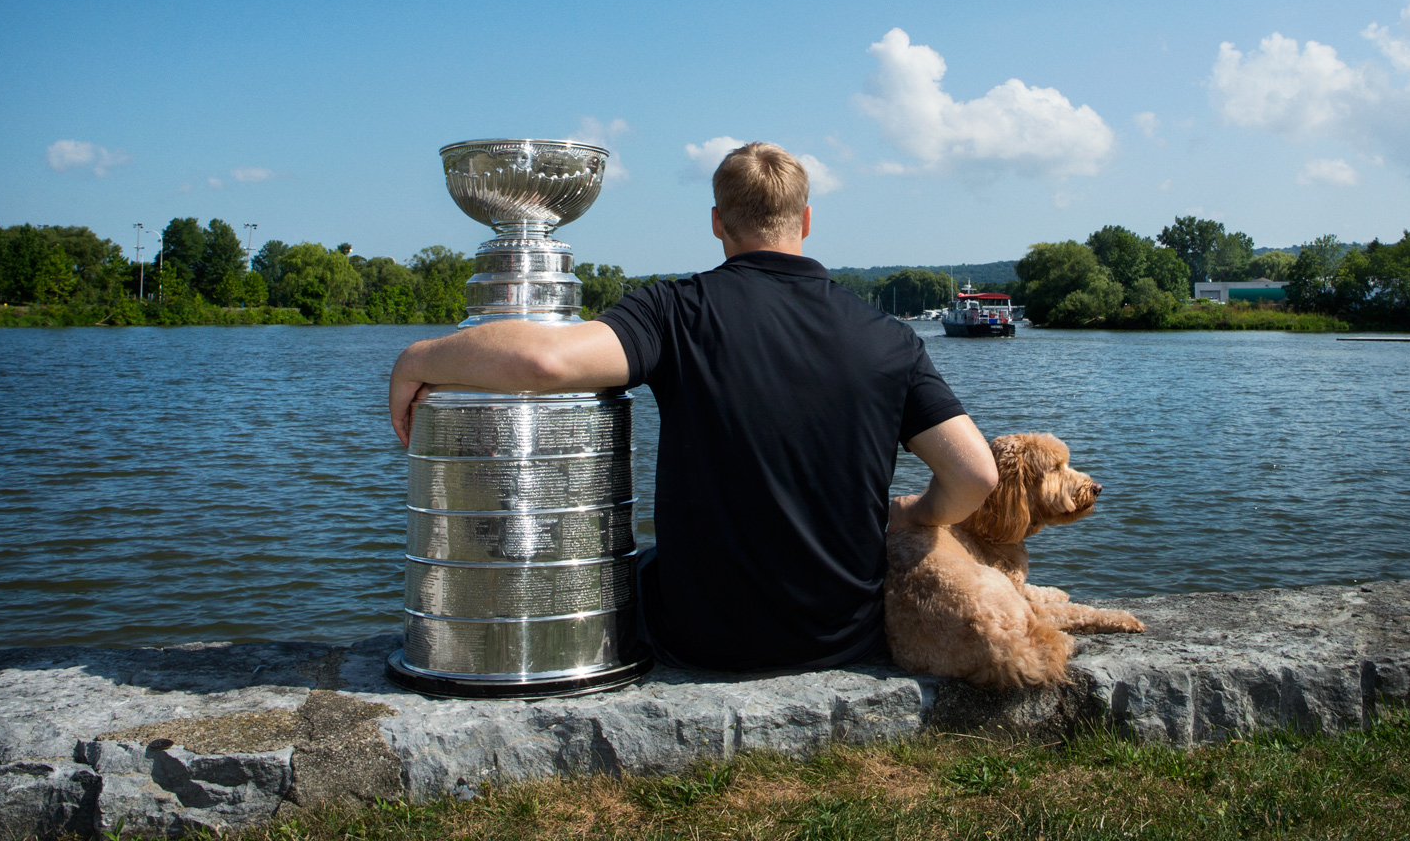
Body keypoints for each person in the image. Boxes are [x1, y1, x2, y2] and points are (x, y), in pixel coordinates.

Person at [388, 141, 997, 672]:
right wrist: (915, 511)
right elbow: (976, 475)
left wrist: (419, 358)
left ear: (716, 221)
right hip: (842, 637)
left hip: (703, 638)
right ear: (805, 220)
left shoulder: (676, 311)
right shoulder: (888, 337)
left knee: (627, 568)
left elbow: (546, 361)